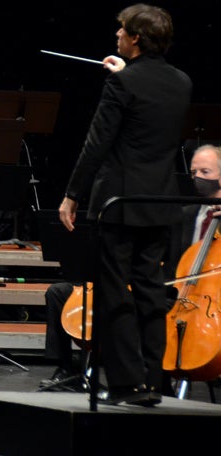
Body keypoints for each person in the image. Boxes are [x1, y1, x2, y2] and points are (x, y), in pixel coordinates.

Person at [59, 3, 191, 407]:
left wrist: (72, 194)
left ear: (135, 37)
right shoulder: (182, 81)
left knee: (116, 291)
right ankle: (153, 380)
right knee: (151, 290)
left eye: (121, 31)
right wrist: (126, 72)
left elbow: (97, 143)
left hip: (118, 201)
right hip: (159, 199)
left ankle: (125, 384)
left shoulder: (122, 84)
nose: (115, 36)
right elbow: (149, 115)